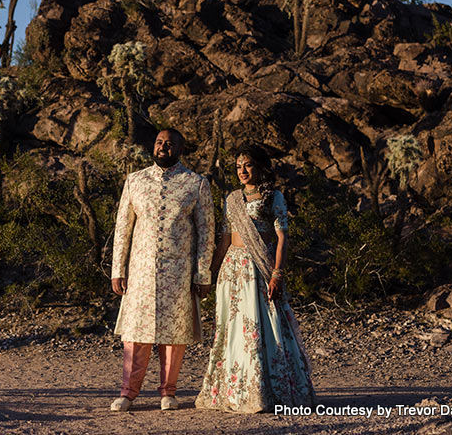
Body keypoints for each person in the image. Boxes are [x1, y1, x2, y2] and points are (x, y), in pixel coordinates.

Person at [195, 145, 314, 412]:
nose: (242, 171)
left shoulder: (274, 198)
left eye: (247, 165)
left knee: (264, 327)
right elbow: (225, 239)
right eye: (238, 166)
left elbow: (282, 238)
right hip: (232, 270)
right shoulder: (232, 199)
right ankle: (234, 392)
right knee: (232, 328)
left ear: (260, 167)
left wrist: (277, 273)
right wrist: (210, 274)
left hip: (258, 268)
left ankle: (267, 391)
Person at [110, 128, 214, 412]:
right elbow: (123, 228)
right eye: (159, 142)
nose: (163, 147)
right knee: (136, 334)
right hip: (141, 271)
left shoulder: (196, 184)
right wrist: (117, 269)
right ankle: (128, 393)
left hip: (178, 272)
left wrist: (202, 274)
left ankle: (168, 392)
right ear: (152, 146)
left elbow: (207, 233)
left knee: (174, 333)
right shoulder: (135, 181)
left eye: (170, 143)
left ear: (181, 148)